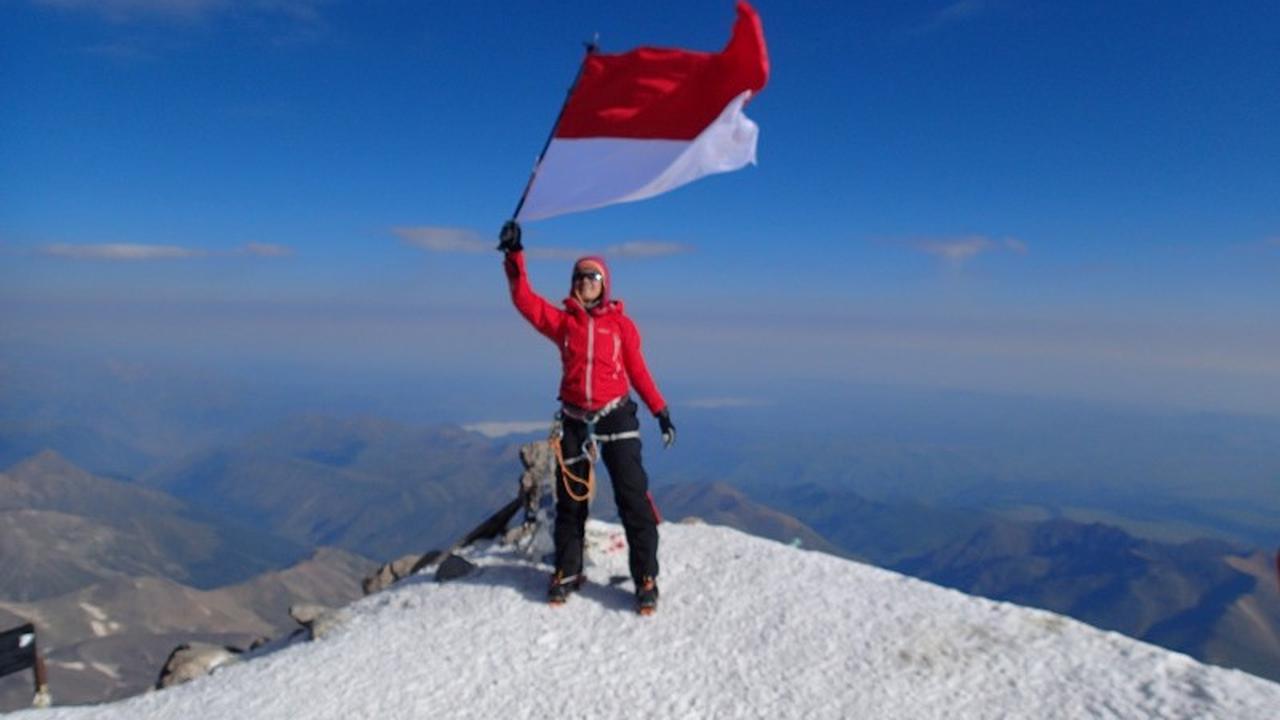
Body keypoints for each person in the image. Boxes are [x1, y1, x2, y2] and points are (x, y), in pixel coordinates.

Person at [498, 220, 675, 615]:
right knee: (571, 503)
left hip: (616, 417)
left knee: (633, 499)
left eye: (592, 276)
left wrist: (660, 410)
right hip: (575, 419)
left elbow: (638, 371)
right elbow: (525, 300)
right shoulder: (564, 324)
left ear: (604, 283)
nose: (585, 282)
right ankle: (567, 569)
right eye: (579, 277)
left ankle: (645, 577)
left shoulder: (621, 327)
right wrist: (514, 256)